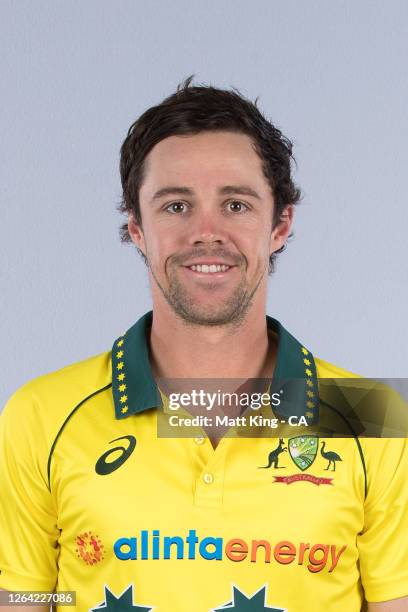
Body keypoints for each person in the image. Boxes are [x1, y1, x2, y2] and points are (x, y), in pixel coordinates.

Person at [0, 76, 407, 612]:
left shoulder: (372, 417)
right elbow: (21, 600)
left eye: (236, 205)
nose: (206, 232)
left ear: (280, 224)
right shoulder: (41, 415)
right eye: (175, 206)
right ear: (137, 227)